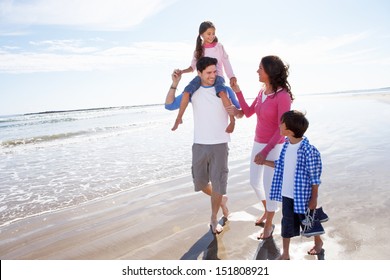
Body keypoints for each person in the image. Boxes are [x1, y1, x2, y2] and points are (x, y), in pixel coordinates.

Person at [228, 55, 293, 239]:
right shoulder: (262, 91)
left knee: (270, 186)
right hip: (258, 142)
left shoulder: (283, 96)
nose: (257, 71)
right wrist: (237, 91)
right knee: (254, 182)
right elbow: (248, 112)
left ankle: (270, 225)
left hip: (274, 147)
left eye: (260, 69)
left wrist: (265, 152)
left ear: (270, 72)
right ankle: (268, 209)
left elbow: (282, 129)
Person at [167, 56, 231, 234]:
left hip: (220, 144)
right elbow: (169, 105)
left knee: (218, 184)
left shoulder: (223, 89)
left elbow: (240, 110)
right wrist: (175, 83)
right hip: (199, 145)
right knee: (200, 182)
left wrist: (236, 114)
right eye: (208, 73)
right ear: (199, 73)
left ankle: (213, 217)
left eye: (215, 72)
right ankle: (222, 200)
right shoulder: (193, 91)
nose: (213, 75)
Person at [262, 110, 325, 260]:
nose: (279, 126)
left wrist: (314, 198)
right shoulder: (286, 145)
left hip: (302, 196)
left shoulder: (309, 151)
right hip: (287, 194)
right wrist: (264, 161)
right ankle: (285, 253)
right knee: (287, 223)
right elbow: (281, 165)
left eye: (281, 124)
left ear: (289, 131)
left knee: (309, 221)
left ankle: (318, 242)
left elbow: (315, 177)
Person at [171, 21, 238, 133]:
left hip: (218, 76)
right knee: (187, 91)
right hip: (201, 78)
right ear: (201, 34)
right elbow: (193, 67)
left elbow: (226, 62)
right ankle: (179, 118)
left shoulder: (219, 47)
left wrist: (231, 76)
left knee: (222, 92)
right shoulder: (199, 50)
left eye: (213, 33)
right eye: (208, 33)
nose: (211, 36)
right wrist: (182, 71)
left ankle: (232, 120)